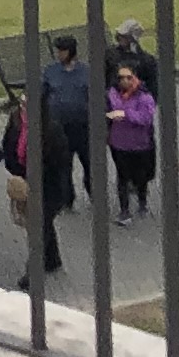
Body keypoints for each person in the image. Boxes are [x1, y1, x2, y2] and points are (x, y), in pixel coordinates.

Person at [34, 34, 93, 275]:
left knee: (90, 163)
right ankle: (66, 198)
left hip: (84, 126)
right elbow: (43, 95)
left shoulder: (85, 72)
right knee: (64, 165)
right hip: (60, 129)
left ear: (71, 51)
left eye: (62, 50)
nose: (58, 54)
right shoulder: (50, 71)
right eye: (57, 50)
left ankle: (94, 194)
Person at [106, 63, 158, 223]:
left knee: (140, 176)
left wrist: (125, 114)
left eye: (129, 77)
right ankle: (124, 210)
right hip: (119, 143)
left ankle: (142, 201)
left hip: (140, 144)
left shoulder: (145, 97)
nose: (124, 81)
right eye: (121, 77)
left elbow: (145, 119)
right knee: (122, 176)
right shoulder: (112, 93)